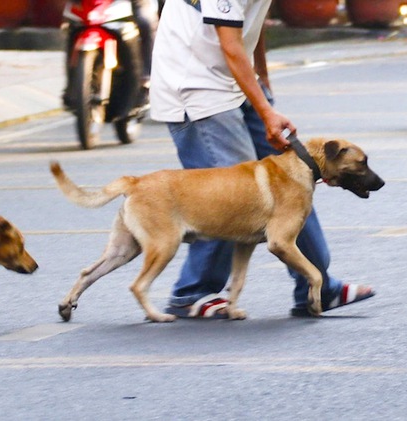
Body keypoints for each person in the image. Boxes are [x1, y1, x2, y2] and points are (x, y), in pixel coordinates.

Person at [149, 0, 375, 318]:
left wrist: (263, 81)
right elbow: (229, 44)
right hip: (196, 86)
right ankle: (193, 293)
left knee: (298, 176)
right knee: (236, 196)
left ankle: (317, 286)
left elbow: (253, 23)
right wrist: (266, 110)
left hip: (237, 80)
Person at [63, 0, 158, 109]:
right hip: (92, 4)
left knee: (145, 21)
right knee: (72, 25)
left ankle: (145, 82)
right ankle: (72, 85)